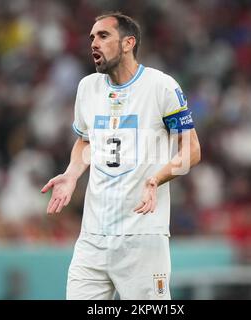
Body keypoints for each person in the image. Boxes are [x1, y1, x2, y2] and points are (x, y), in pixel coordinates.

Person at [41, 12, 201, 300]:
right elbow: (84, 142)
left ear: (128, 43)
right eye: (91, 37)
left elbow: (191, 151)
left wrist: (156, 179)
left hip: (142, 238)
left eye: (103, 36)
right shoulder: (87, 88)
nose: (94, 43)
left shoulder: (160, 86)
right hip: (92, 238)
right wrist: (72, 173)